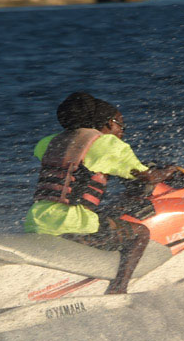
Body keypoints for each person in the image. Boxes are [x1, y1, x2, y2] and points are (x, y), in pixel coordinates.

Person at [24, 92, 175, 295]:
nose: (122, 131)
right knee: (140, 234)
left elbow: (75, 168)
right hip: (73, 224)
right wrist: (170, 171)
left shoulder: (48, 142)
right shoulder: (106, 144)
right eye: (120, 124)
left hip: (37, 219)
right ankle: (119, 288)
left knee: (108, 216)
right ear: (106, 123)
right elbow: (147, 177)